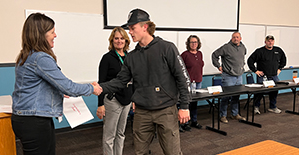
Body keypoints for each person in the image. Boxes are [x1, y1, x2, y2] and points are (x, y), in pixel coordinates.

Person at [98, 9, 191, 155]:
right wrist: (99, 88)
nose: (130, 32)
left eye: (132, 28)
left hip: (165, 110)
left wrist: (184, 106)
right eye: (129, 28)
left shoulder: (167, 48)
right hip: (142, 112)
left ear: (145, 27)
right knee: (139, 152)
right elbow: (120, 81)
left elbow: (183, 78)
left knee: (172, 152)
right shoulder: (132, 57)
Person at [11, 13, 102, 155]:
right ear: (41, 34)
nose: (55, 35)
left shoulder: (26, 55)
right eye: (52, 32)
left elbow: (37, 86)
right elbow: (69, 86)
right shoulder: (41, 58)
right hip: (35, 121)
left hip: (25, 119)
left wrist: (59, 91)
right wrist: (92, 88)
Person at [96, 27, 133, 155]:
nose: (119, 41)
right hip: (113, 101)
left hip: (127, 101)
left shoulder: (130, 57)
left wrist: (134, 99)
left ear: (126, 41)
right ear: (112, 41)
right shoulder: (107, 58)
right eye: (116, 38)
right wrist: (100, 104)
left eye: (122, 38)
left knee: (121, 133)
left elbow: (134, 80)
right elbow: (101, 83)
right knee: (109, 136)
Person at [212, 32, 246, 123]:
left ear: (240, 38)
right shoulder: (226, 47)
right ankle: (222, 115)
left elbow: (242, 58)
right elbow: (214, 55)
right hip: (228, 76)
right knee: (225, 96)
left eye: (237, 37)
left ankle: (234, 114)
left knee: (236, 96)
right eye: (234, 37)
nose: (236, 39)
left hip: (239, 76)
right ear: (231, 38)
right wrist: (218, 66)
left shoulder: (243, 47)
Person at [247, 35, 287, 114]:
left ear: (273, 42)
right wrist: (255, 71)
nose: (270, 42)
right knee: (259, 92)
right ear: (265, 42)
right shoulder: (260, 51)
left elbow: (284, 60)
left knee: (274, 91)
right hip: (262, 76)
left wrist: (280, 69)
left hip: (274, 76)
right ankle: (256, 107)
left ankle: (272, 107)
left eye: (272, 41)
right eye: (268, 41)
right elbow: (250, 61)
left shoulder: (278, 50)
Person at [180, 35, 204, 131]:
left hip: (198, 81)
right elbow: (180, 68)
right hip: (188, 83)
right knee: (187, 102)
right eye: (192, 42)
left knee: (195, 102)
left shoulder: (200, 53)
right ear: (188, 44)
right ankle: (185, 123)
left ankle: (194, 120)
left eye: (195, 42)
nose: (194, 44)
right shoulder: (185, 54)